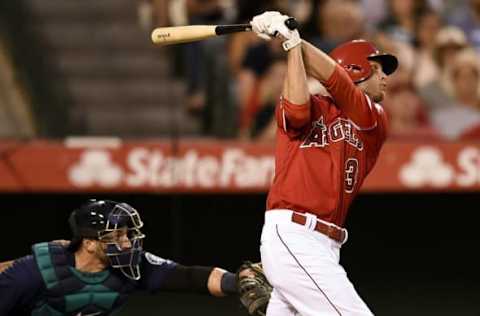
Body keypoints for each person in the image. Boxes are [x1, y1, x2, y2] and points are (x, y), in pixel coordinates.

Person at [250, 11, 399, 315]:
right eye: (376, 68)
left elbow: (338, 83)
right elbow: (296, 111)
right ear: (356, 68)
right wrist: (291, 44)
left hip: (326, 247)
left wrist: (293, 39)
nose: (385, 77)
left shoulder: (374, 119)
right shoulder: (311, 103)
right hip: (294, 234)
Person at [0, 199, 242, 315]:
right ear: (89, 243)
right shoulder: (37, 271)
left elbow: (189, 277)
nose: (126, 243)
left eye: (127, 234)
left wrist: (239, 281)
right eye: (116, 236)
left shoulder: (129, 266)